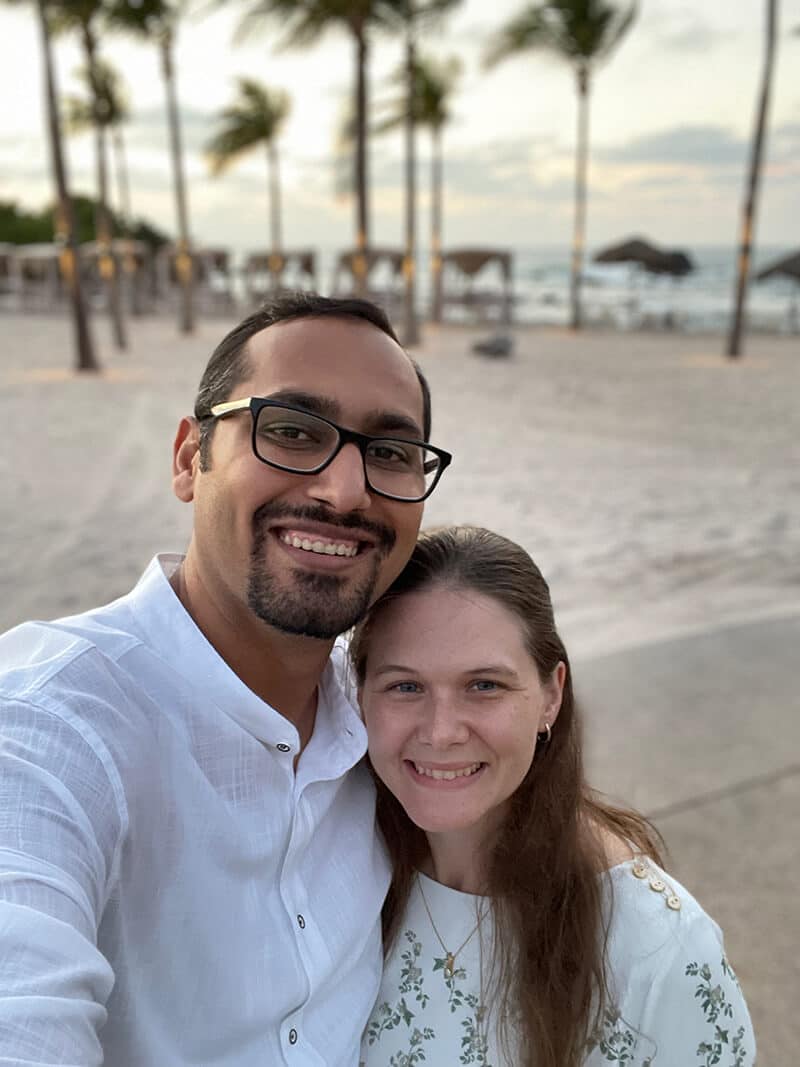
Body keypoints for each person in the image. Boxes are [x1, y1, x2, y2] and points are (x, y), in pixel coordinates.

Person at [0, 293, 452, 1065]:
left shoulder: (383, 719)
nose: (345, 491)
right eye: (291, 431)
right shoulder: (52, 725)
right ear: (189, 457)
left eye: (390, 453)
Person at [352, 526, 755, 1067]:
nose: (441, 731)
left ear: (550, 695)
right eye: (405, 686)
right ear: (359, 696)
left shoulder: (659, 947)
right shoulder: (341, 867)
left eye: (484, 685)